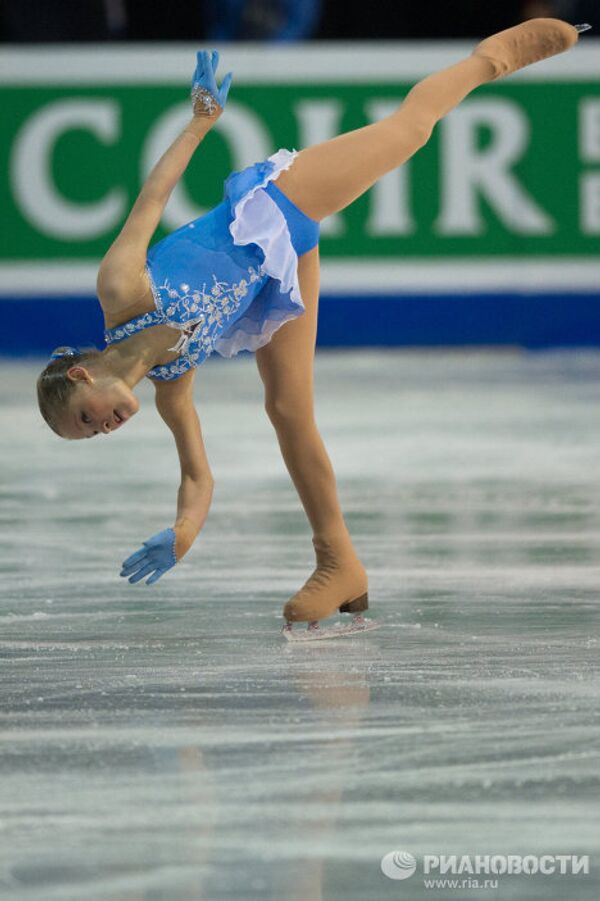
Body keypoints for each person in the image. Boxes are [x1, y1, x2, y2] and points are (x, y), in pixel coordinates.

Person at [37, 19, 586, 639]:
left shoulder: (120, 290)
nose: (103, 428)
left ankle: (492, 59)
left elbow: (154, 196)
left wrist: (200, 120)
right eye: (92, 435)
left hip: (276, 205)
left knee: (406, 131)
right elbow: (197, 475)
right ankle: (339, 560)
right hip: (274, 280)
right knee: (289, 410)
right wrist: (182, 535)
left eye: (86, 417)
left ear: (82, 373)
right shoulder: (172, 379)